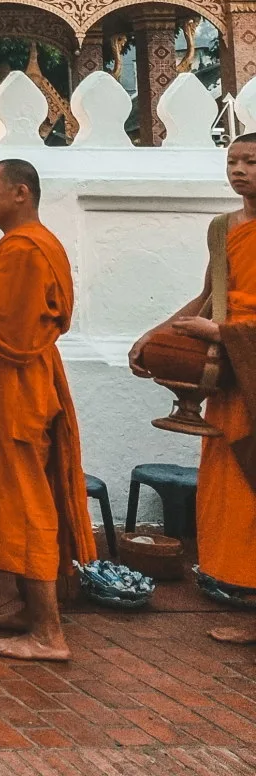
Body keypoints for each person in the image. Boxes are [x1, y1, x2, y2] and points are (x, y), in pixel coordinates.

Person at [0, 160, 94, 662]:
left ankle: (48, 633)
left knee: (26, 503)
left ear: (19, 193)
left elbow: (4, 328)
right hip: (6, 385)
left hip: (15, 389)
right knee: (14, 497)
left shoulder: (26, 249)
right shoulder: (23, 245)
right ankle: (26, 610)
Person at [130, 134, 256, 646]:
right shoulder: (224, 228)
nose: (240, 170)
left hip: (243, 358)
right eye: (233, 161)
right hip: (233, 377)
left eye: (251, 161)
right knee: (234, 488)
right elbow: (210, 297)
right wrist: (156, 335)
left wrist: (226, 333)